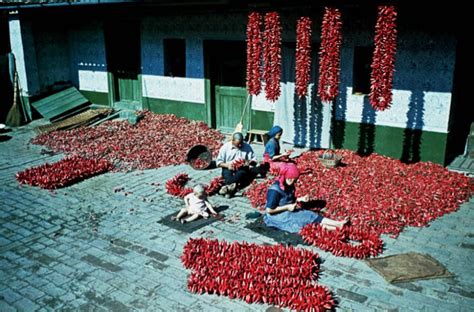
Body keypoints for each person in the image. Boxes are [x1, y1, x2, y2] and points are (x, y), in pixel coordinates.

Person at [264, 163, 347, 233]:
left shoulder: (290, 185)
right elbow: (269, 210)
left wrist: (300, 199)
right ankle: (334, 228)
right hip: (276, 216)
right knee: (301, 223)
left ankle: (337, 224)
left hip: (287, 211)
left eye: (294, 179)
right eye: (289, 178)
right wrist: (287, 207)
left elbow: (288, 200)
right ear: (285, 176)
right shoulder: (274, 190)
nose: (292, 181)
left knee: (309, 214)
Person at [216, 132, 258, 198]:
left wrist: (249, 162)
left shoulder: (247, 147)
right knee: (227, 175)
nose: (240, 146)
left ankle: (227, 189)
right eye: (238, 144)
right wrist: (227, 165)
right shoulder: (225, 147)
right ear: (232, 141)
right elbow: (218, 163)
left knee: (241, 174)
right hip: (228, 167)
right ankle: (231, 189)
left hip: (241, 168)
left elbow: (254, 160)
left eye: (241, 143)